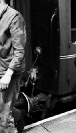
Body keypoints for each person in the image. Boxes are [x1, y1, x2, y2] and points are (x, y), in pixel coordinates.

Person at [0, 0, 26, 132]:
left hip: (9, 71)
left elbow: (19, 51)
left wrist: (8, 75)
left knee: (2, 116)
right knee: (3, 110)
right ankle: (17, 115)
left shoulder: (14, 17)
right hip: (0, 67)